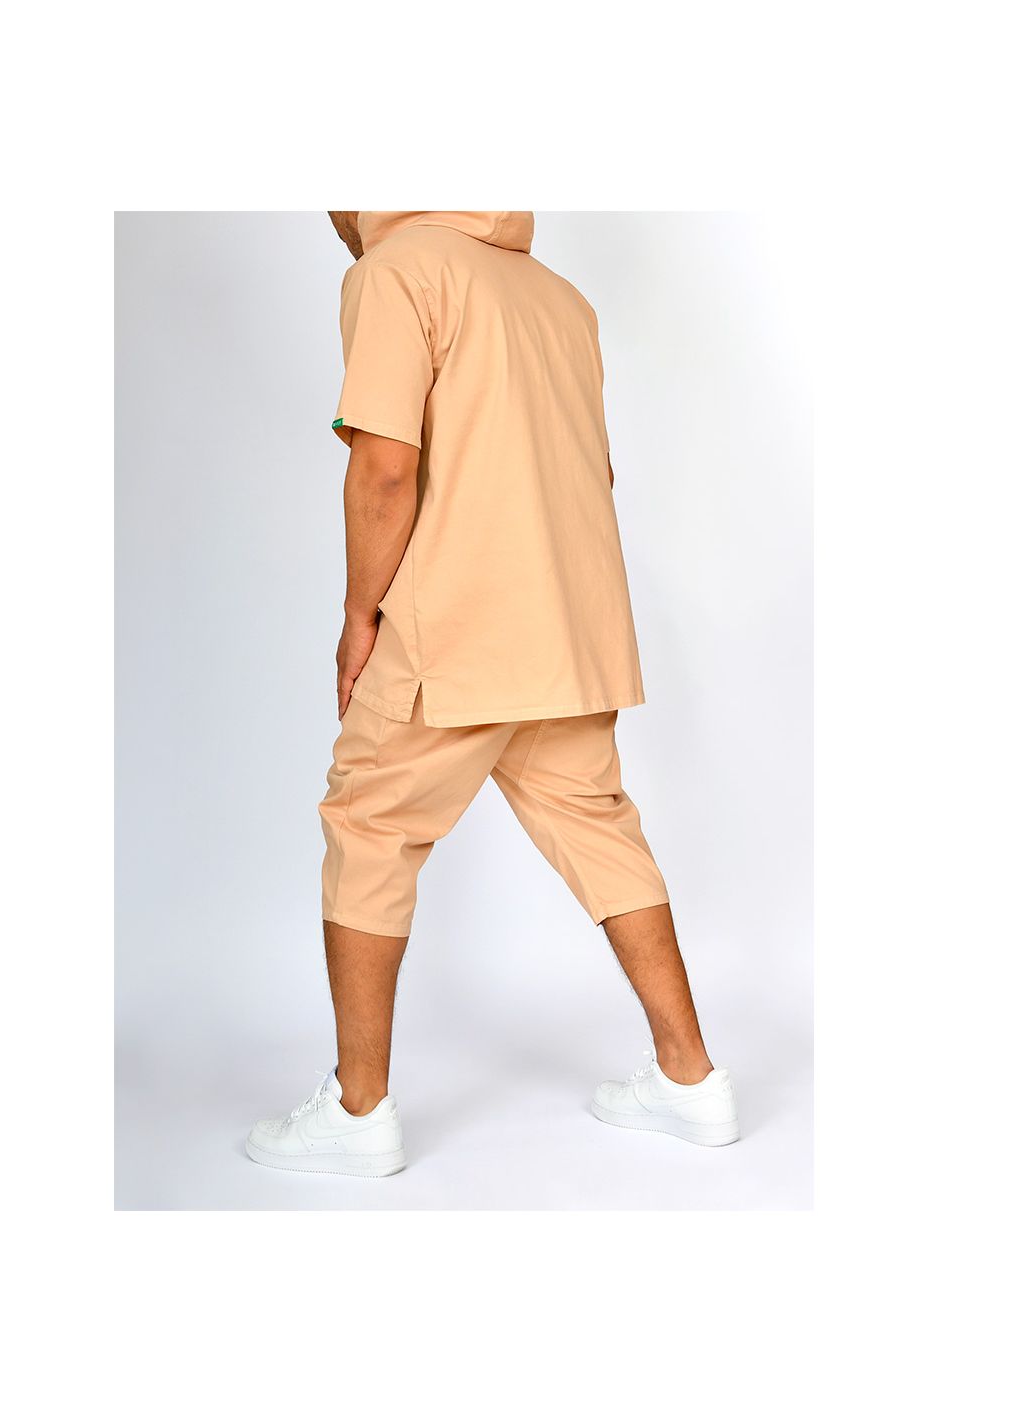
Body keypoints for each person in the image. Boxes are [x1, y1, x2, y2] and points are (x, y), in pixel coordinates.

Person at [246, 212, 738, 1177]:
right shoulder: (560, 299)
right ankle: (691, 1078)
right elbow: (593, 473)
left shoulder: (398, 272)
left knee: (369, 826)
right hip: (568, 630)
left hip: (458, 626)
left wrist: (358, 616)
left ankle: (357, 1112)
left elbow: (386, 467)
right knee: (599, 824)